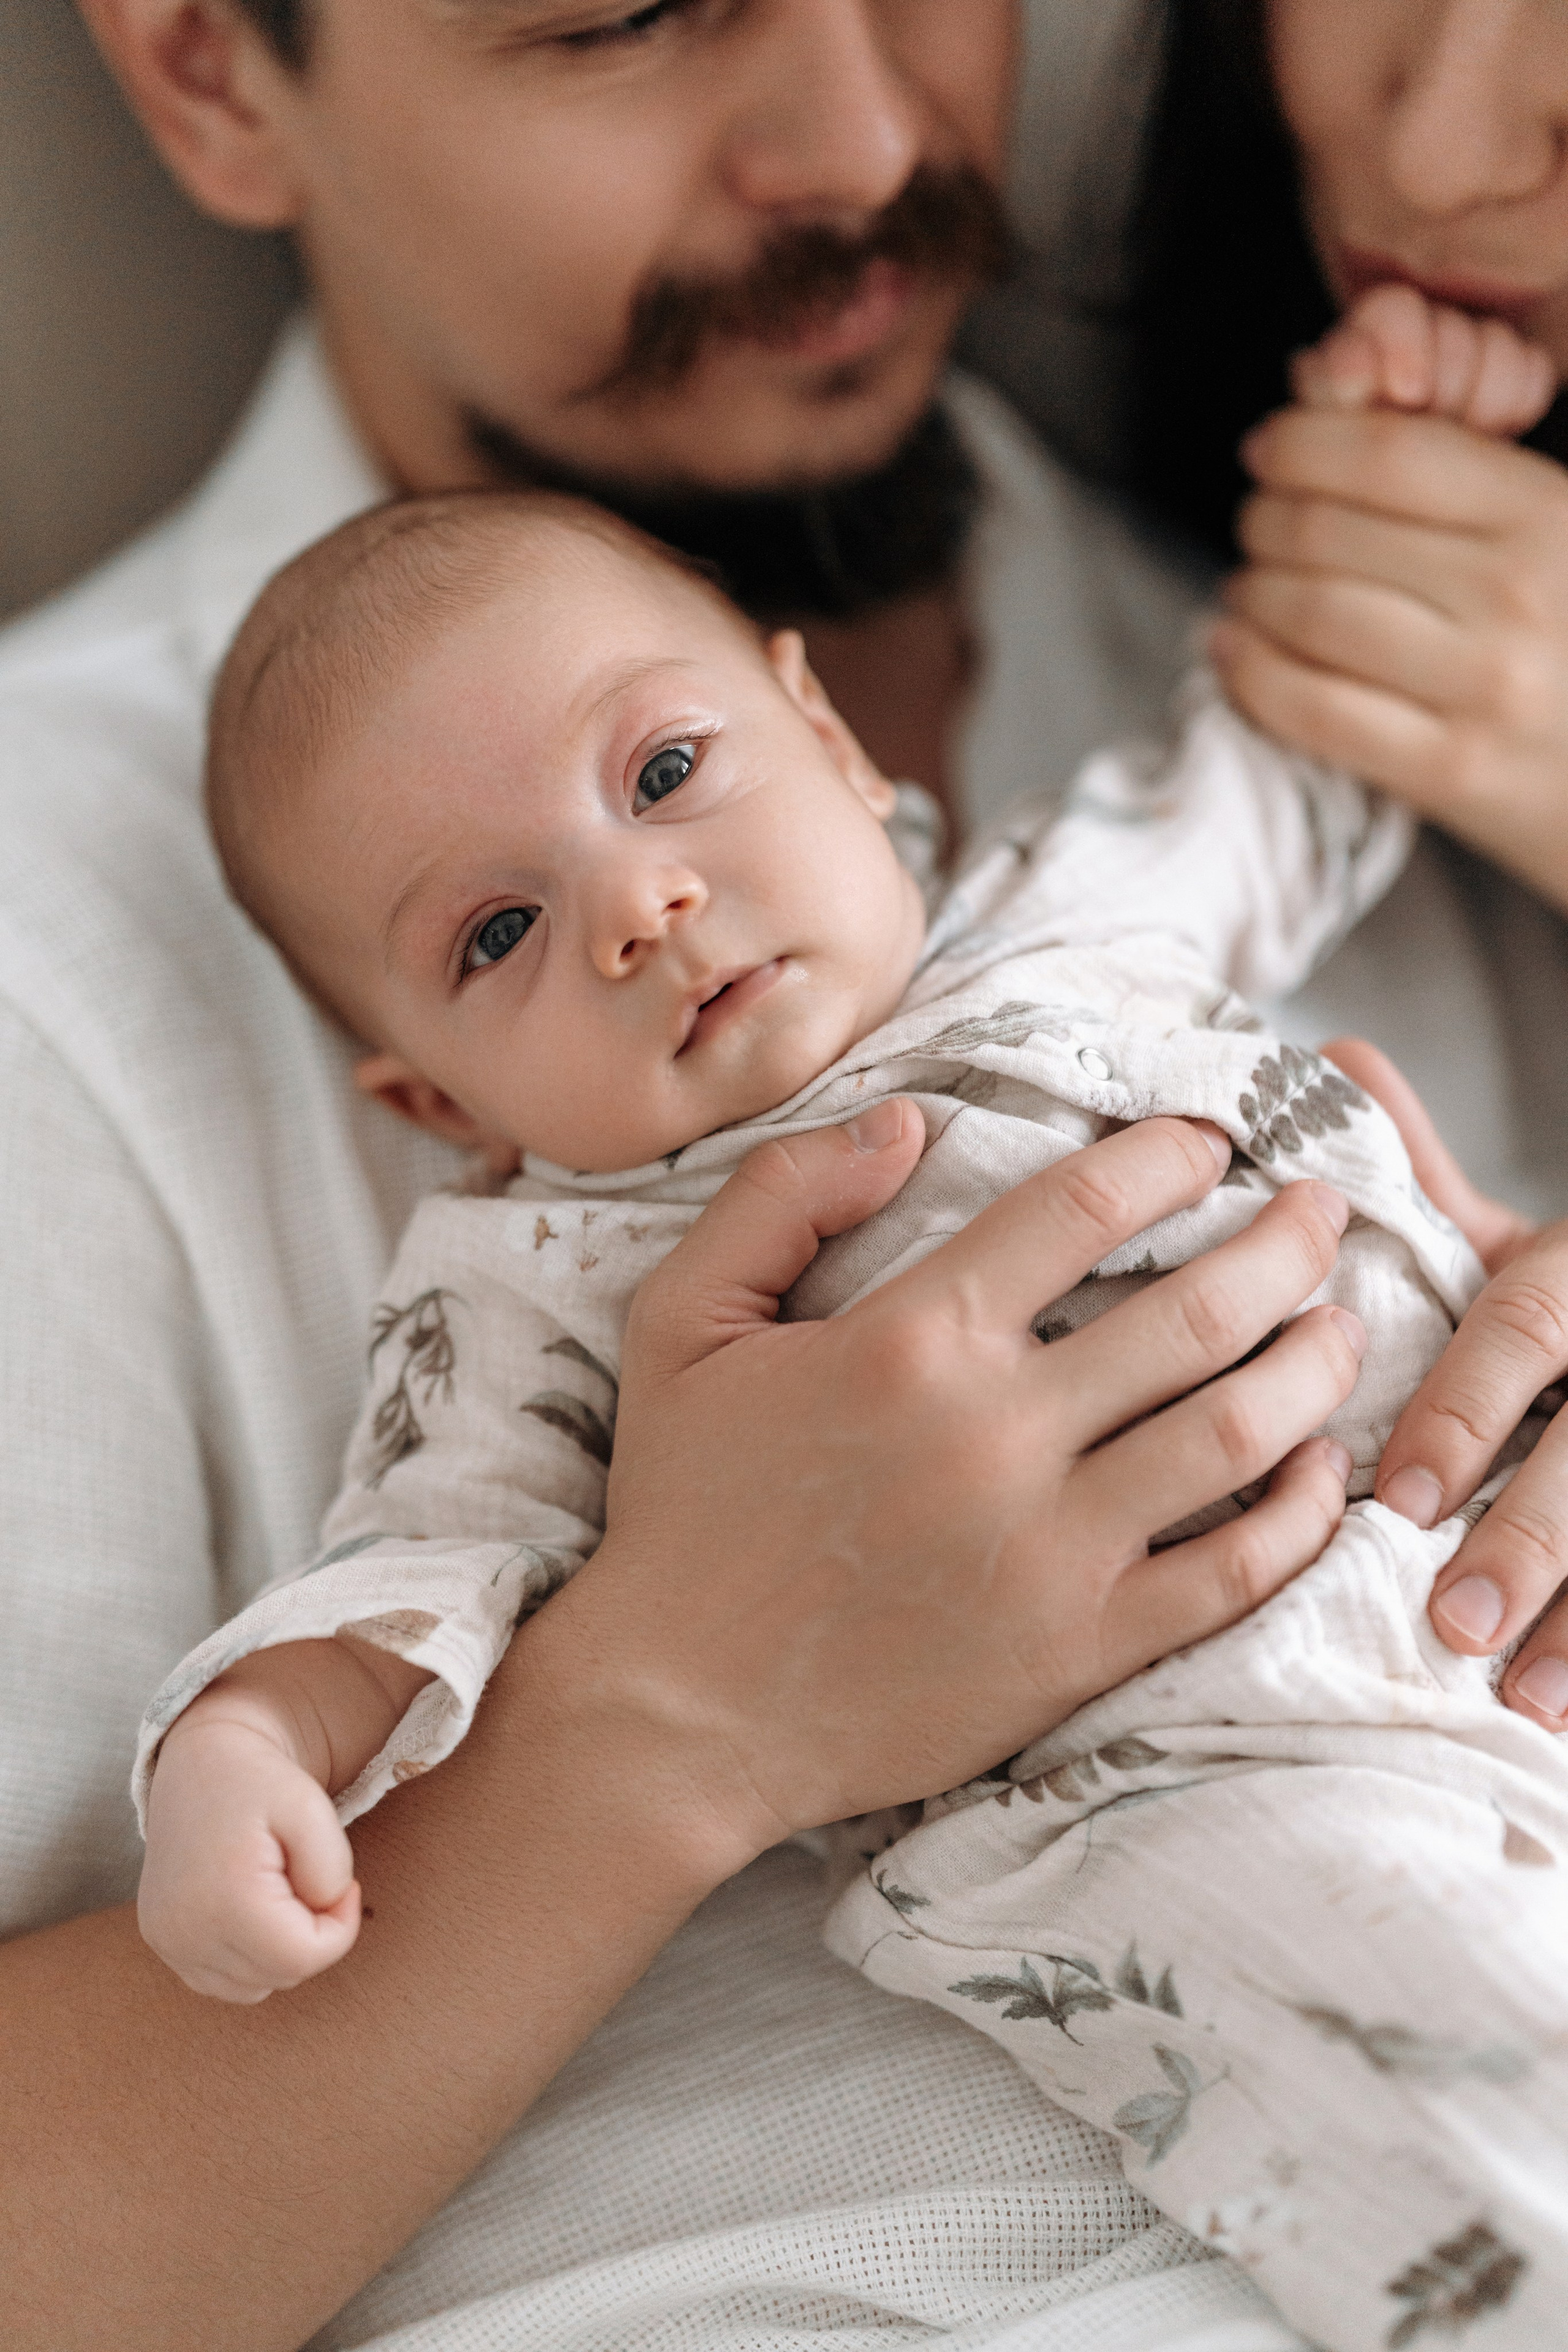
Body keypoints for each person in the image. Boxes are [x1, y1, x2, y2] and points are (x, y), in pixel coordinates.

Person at [0, 3, 1562, 2348]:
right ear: (216, 66)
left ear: (812, 724)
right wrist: (676, 1712)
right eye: (627, 16)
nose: (861, 138)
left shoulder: (1352, 698)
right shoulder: (72, 949)